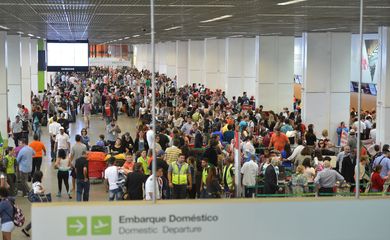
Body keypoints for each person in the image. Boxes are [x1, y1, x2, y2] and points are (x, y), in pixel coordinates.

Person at [22, 171, 45, 237]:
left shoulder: (35, 182)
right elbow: (36, 191)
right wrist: (42, 190)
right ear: (40, 177)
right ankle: (27, 229)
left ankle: (26, 229)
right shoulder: (38, 183)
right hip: (38, 203)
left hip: (36, 202)